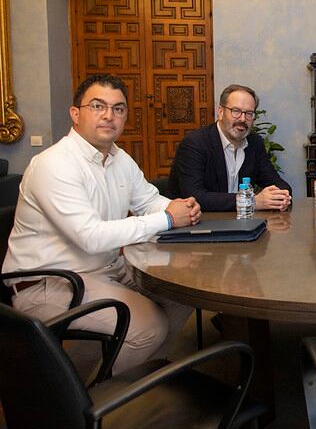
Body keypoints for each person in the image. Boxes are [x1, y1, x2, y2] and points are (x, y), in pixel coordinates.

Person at [2, 74, 202, 373]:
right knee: (148, 326)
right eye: (98, 106)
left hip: (104, 270)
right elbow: (91, 237)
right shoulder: (54, 164)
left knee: (183, 293)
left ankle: (136, 375)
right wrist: (167, 219)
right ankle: (94, 403)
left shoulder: (120, 159)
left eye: (118, 108)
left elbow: (149, 200)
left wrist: (180, 207)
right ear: (75, 113)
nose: (109, 115)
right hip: (49, 282)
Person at [168, 84, 292, 211]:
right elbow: (194, 197)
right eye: (236, 111)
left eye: (249, 113)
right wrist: (251, 201)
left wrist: (281, 196)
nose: (243, 119)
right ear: (221, 112)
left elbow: (279, 184)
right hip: (198, 223)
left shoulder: (254, 143)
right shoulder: (195, 143)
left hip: (241, 223)